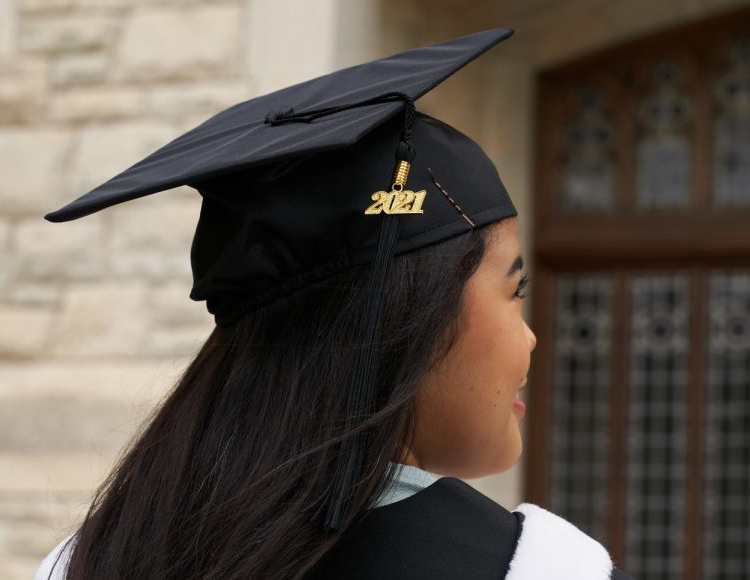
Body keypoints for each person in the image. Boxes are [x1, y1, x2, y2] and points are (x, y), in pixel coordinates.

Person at [35, 28, 637, 580]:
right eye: (516, 291)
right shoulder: (542, 570)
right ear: (410, 319)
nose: (532, 338)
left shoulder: (88, 561)